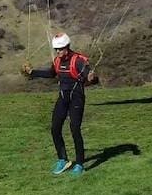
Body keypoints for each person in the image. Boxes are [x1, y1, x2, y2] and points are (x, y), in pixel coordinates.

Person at [22, 33, 96, 176]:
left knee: (74, 129)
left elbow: (89, 75)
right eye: (56, 49)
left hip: (77, 99)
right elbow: (51, 74)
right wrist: (33, 72)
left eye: (60, 49)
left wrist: (91, 78)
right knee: (55, 128)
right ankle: (63, 159)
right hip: (63, 98)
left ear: (67, 47)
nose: (58, 52)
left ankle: (80, 164)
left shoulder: (78, 60)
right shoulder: (57, 61)